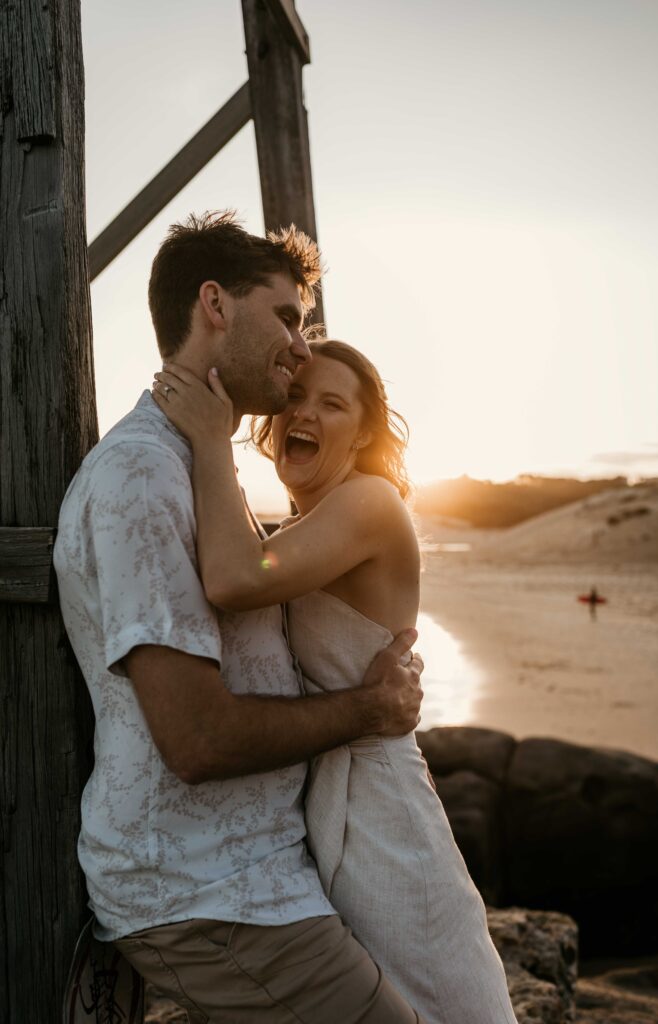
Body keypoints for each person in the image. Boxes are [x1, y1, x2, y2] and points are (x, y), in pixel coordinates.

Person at [53, 211, 427, 1023]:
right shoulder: (142, 480)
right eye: (287, 317)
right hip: (207, 892)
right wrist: (369, 707)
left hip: (262, 872)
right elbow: (198, 740)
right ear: (215, 305)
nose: (300, 345)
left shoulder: (196, 465)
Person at [152, 339, 519, 1023]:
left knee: (431, 995)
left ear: (365, 432)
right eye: (295, 398)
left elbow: (234, 577)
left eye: (332, 404)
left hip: (379, 811)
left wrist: (208, 440)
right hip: (323, 802)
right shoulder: (305, 525)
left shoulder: (371, 502)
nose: (306, 415)